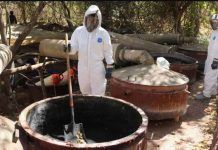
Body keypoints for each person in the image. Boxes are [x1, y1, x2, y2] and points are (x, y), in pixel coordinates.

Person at [67, 5, 114, 96]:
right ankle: (88, 109)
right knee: (85, 92)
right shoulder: (79, 31)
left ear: (98, 20)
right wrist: (68, 49)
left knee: (98, 93)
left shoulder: (103, 33)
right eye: (89, 19)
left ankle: (97, 110)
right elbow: (74, 48)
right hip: (82, 67)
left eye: (94, 20)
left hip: (97, 68)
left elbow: (108, 50)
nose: (91, 21)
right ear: (86, 18)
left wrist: (110, 66)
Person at [196, 14, 218, 101]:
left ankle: (206, 95)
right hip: (211, 58)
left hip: (215, 59)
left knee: (210, 76)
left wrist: (216, 60)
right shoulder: (214, 32)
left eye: (216, 22)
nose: (214, 24)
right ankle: (213, 92)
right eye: (213, 22)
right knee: (213, 75)